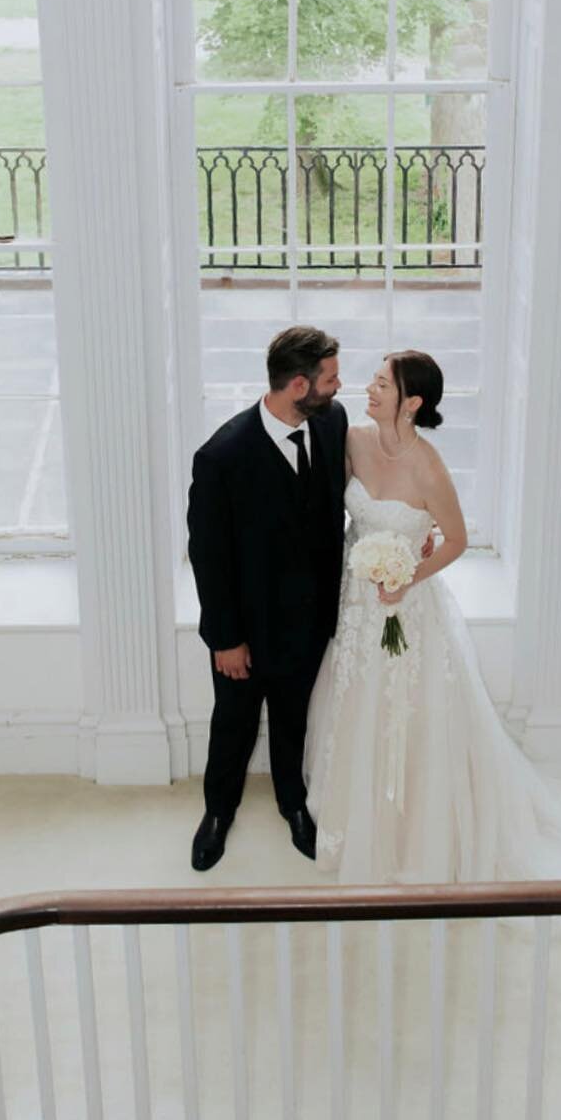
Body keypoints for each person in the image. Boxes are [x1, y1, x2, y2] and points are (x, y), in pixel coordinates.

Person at [305, 351, 561, 895]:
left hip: (406, 610)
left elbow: (456, 540)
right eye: (373, 379)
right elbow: (343, 511)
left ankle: (410, 828)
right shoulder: (355, 440)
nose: (370, 388)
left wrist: (407, 573)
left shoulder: (430, 467)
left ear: (411, 402)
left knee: (406, 713)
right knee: (356, 699)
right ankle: (351, 818)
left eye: (382, 383)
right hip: (357, 602)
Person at [185, 326, 349, 871]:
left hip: (311, 622)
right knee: (233, 724)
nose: (339, 385)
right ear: (298, 385)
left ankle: (293, 805)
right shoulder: (221, 457)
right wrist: (226, 639)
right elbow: (208, 558)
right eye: (330, 378)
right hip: (245, 635)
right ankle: (217, 814)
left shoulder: (332, 423)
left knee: (293, 720)